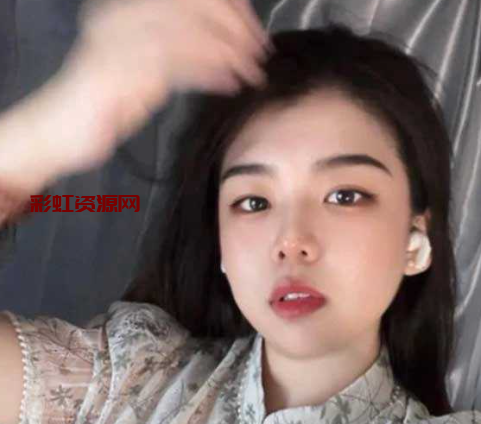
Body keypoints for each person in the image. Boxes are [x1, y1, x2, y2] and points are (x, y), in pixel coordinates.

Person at [0, 0, 479, 424]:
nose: (292, 240)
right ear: (221, 245)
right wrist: (49, 130)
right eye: (254, 202)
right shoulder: (130, 379)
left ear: (416, 241)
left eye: (344, 196)